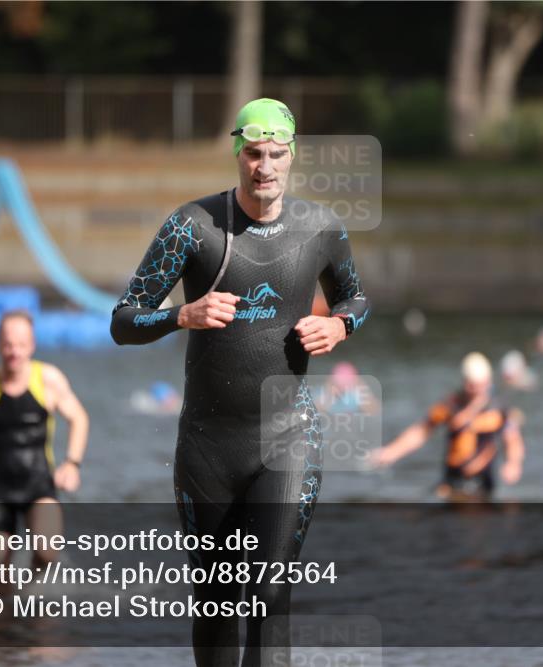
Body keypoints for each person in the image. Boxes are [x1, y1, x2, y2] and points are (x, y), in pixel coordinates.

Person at [110, 98, 369, 667]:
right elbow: (123, 321)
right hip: (208, 446)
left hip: (288, 437)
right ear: (237, 153)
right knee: (217, 603)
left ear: (292, 157)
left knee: (272, 594)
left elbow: (357, 296)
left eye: (277, 154)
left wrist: (339, 324)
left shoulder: (320, 228)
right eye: (254, 153)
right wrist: (183, 314)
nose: (265, 166)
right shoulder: (192, 227)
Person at [0, 310, 89, 594]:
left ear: (32, 345)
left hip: (38, 484)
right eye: (8, 344)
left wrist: (72, 463)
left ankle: (30, 591)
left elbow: (79, 418)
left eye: (21, 345)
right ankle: (3, 626)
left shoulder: (48, 379)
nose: (14, 352)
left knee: (47, 554)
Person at [370, 352, 525, 500]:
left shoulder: (499, 408)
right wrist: (391, 452)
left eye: (480, 385)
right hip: (452, 481)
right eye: (471, 385)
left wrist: (513, 463)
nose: (476, 391)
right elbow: (422, 430)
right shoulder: (450, 405)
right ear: (465, 382)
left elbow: (512, 439)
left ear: (488, 382)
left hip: (482, 483)